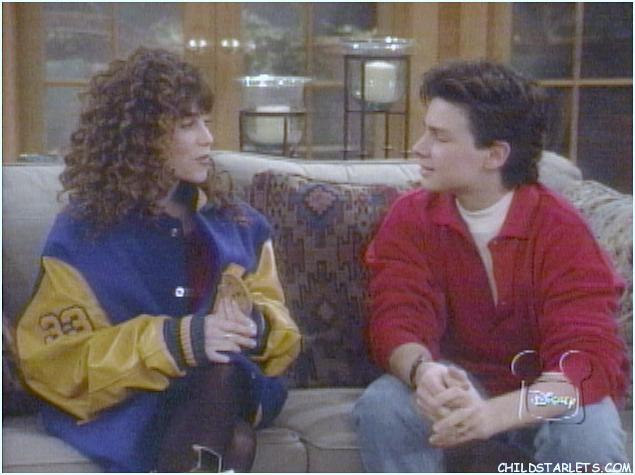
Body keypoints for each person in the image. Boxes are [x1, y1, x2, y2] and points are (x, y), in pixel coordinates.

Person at [15, 48, 300, 473]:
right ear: (141, 138)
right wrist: (179, 341)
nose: (207, 138)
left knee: (222, 371)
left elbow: (282, 331)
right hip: (129, 402)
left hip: (232, 383)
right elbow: (54, 365)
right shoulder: (82, 235)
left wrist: (252, 325)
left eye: (206, 121)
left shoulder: (240, 224)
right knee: (236, 441)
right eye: (188, 125)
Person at [353, 60, 629, 472]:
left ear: (495, 154)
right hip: (457, 388)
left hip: (542, 399)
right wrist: (422, 372)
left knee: (589, 426)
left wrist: (498, 414)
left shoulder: (561, 231)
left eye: (440, 137)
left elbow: (587, 366)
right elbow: (396, 318)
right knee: (384, 404)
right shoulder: (411, 217)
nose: (419, 148)